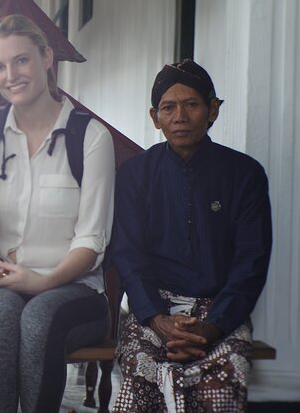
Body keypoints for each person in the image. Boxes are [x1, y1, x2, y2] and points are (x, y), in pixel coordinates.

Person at [0, 14, 115, 412]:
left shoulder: (90, 137)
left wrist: (42, 282)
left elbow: (92, 239)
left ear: (47, 57)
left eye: (21, 60)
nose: (10, 75)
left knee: (38, 319)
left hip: (74, 287)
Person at [112, 59, 273, 412]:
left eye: (192, 104)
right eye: (168, 107)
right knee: (141, 378)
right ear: (155, 117)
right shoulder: (136, 174)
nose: (180, 116)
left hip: (221, 310)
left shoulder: (244, 174)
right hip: (154, 309)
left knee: (223, 379)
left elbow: (251, 260)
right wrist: (157, 318)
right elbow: (127, 253)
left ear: (212, 110)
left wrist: (211, 328)